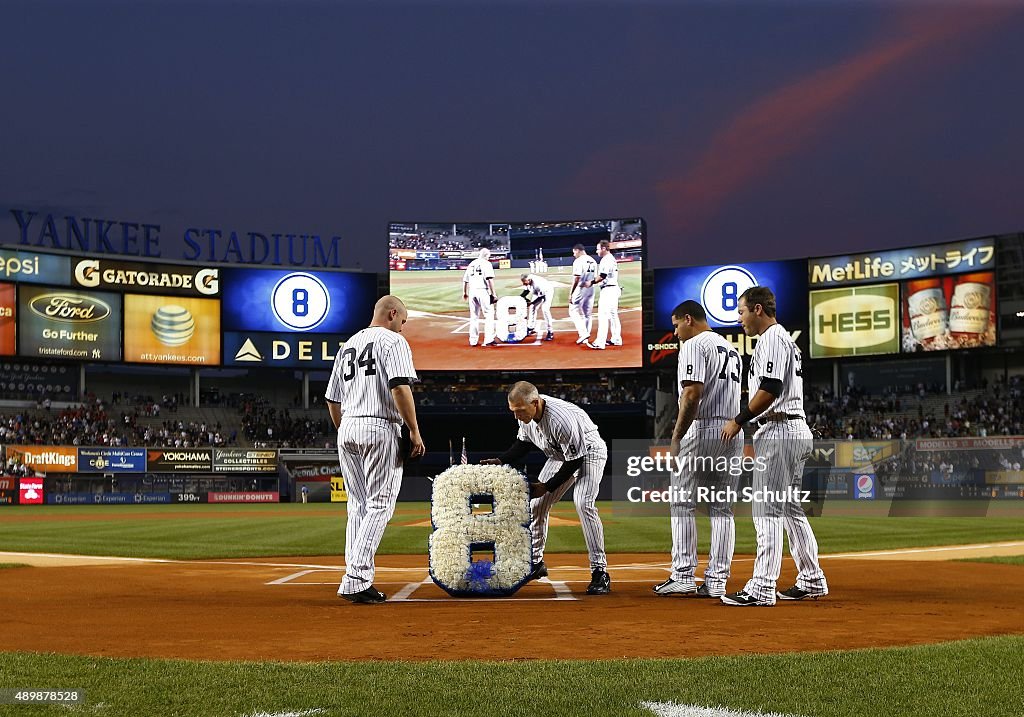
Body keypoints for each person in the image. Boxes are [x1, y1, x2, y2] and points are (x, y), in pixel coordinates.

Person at [720, 286, 828, 606]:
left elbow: (770, 388)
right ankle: (811, 578)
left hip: (780, 429)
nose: (739, 319)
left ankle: (762, 587)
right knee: (790, 510)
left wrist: (738, 419)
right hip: (790, 427)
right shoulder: (782, 341)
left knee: (766, 509)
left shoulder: (771, 339)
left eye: (741, 312)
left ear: (757, 310)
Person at [325, 295, 425, 604]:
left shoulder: (348, 345)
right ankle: (355, 577)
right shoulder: (392, 342)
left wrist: (346, 430)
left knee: (357, 506)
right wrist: (414, 430)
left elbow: (332, 399)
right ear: (392, 313)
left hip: (349, 426)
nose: (403, 328)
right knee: (380, 505)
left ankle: (358, 576)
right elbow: (399, 386)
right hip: (379, 425)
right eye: (403, 322)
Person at [481, 381, 610, 595]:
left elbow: (575, 460)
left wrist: (547, 486)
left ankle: (600, 572)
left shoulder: (561, 419)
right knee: (536, 505)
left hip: (589, 453)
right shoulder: (526, 416)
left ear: (535, 402)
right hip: (560, 455)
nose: (516, 416)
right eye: (513, 411)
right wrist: (500, 460)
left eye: (520, 411)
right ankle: (536, 563)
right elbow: (523, 444)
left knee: (583, 503)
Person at [654, 300, 742, 598]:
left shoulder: (693, 344)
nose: (676, 332)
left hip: (703, 428)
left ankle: (683, 575)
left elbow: (691, 394)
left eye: (676, 325)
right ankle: (717, 581)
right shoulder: (730, 347)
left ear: (688, 319)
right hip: (732, 429)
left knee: (681, 502)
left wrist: (677, 436)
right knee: (722, 508)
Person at [587, 239, 621, 349]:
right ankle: (616, 339)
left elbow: (602, 276)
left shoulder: (606, 259)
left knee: (603, 315)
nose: (597, 251)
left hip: (608, 290)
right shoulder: (610, 258)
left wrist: (591, 282)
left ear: (603, 248)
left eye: (598, 249)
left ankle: (600, 342)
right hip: (613, 288)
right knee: (613, 315)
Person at [462, 248, 498, 347]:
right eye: (488, 256)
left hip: (472, 291)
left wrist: (465, 293)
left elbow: (465, 280)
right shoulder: (486, 264)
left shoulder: (471, 264)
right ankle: (489, 339)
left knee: (474, 317)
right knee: (489, 314)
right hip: (483, 290)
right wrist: (493, 294)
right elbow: (490, 279)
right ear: (486, 255)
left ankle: (473, 340)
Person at [568, 243, 598, 345]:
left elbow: (577, 277)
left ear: (578, 250)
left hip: (580, 288)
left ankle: (583, 333)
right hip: (590, 288)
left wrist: (571, 293)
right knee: (587, 314)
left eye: (574, 252)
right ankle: (585, 337)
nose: (574, 255)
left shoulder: (578, 261)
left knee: (573, 310)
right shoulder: (593, 260)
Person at [519, 273, 555, 341]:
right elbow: (526, 291)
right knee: (532, 308)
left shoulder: (538, 284)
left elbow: (541, 297)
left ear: (529, 280)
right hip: (537, 293)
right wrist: (520, 298)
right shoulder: (527, 281)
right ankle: (531, 327)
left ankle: (550, 331)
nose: (524, 284)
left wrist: (531, 303)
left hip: (547, 292)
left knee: (545, 309)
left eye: (525, 282)